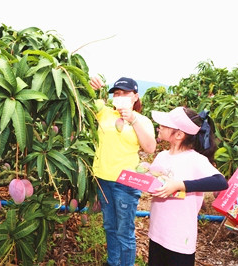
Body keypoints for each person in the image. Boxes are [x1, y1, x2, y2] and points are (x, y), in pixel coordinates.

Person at [148, 106, 229, 266]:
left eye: (165, 125)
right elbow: (156, 182)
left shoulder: (195, 160)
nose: (160, 127)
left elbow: (220, 182)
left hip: (179, 238)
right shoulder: (162, 156)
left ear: (179, 134)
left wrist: (180, 185)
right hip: (157, 232)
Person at [89, 76, 157, 266]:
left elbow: (150, 147)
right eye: (116, 94)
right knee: (110, 227)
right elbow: (83, 105)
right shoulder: (105, 113)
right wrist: (92, 88)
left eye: (124, 93)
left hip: (126, 183)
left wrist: (133, 119)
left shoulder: (142, 120)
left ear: (135, 96)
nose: (119, 97)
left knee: (124, 231)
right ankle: (113, 263)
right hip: (103, 179)